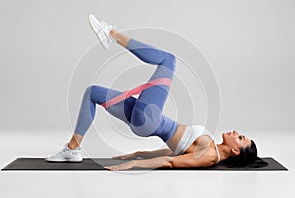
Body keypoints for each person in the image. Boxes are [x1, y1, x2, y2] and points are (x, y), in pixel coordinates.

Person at [45, 14, 259, 170]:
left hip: (150, 118)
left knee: (169, 60)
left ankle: (111, 34)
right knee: (93, 93)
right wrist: (139, 154)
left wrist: (130, 166)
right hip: (146, 121)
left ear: (236, 151)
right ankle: (72, 149)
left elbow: (171, 162)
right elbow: (171, 152)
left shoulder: (211, 156)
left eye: (240, 138)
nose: (236, 132)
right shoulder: (210, 147)